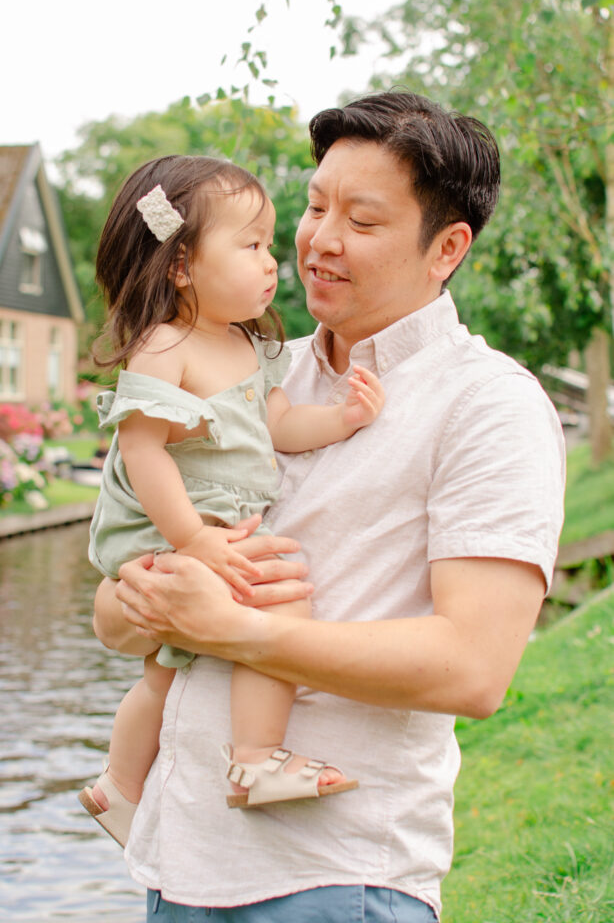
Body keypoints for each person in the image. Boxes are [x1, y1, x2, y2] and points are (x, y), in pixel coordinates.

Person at [92, 91, 565, 922]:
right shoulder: (240, 364)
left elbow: (474, 667)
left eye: (364, 221)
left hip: (334, 879)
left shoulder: (488, 404)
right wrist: (144, 598)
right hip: (177, 868)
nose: (319, 241)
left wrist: (231, 628)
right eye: (313, 207)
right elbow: (116, 616)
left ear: (447, 247)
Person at [79, 155, 384, 847]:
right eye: (251, 245)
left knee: (161, 673)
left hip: (206, 523)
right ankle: (254, 761)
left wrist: (341, 420)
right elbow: (143, 450)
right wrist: (191, 539)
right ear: (181, 266)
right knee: (280, 598)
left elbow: (276, 427)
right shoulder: (164, 345)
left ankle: (118, 791)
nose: (274, 261)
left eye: (271, 243)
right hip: (172, 524)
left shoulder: (247, 345)